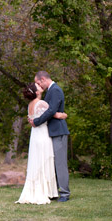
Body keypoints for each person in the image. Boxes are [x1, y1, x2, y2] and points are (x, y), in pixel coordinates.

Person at [16, 82, 68, 204]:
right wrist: (62, 115)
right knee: (45, 160)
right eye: (38, 86)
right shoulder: (41, 103)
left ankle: (40, 190)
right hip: (43, 135)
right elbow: (51, 113)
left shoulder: (30, 104)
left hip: (35, 136)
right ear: (37, 92)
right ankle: (46, 191)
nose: (40, 86)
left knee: (37, 161)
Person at [30, 71, 70, 202]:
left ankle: (64, 193)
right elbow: (49, 110)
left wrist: (36, 121)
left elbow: (51, 110)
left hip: (58, 131)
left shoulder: (55, 90)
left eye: (37, 83)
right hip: (50, 131)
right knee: (52, 163)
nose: (38, 86)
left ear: (42, 79)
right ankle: (54, 190)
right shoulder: (50, 91)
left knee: (60, 163)